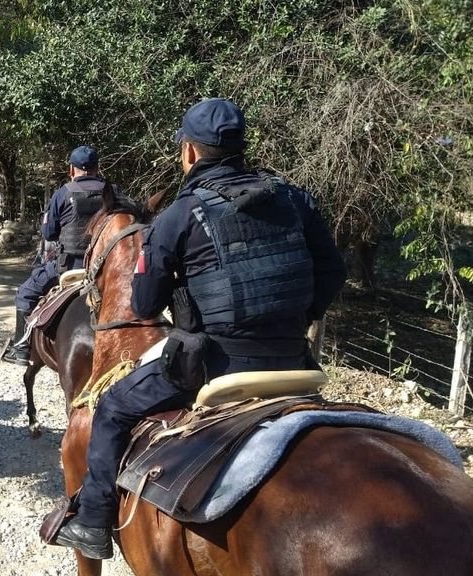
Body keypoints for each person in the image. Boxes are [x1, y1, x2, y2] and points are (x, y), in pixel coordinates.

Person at [52, 98, 347, 559]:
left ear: (189, 153)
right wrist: (296, 318)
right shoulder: (294, 198)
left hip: (212, 366)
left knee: (110, 408)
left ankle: (92, 522)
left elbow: (145, 305)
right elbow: (333, 273)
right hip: (296, 362)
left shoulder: (178, 215)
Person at [1, 145, 111, 365]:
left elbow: (49, 232)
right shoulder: (113, 193)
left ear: (72, 170)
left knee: (25, 293)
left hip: (70, 266)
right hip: (105, 266)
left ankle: (21, 348)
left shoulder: (64, 193)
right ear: (98, 168)